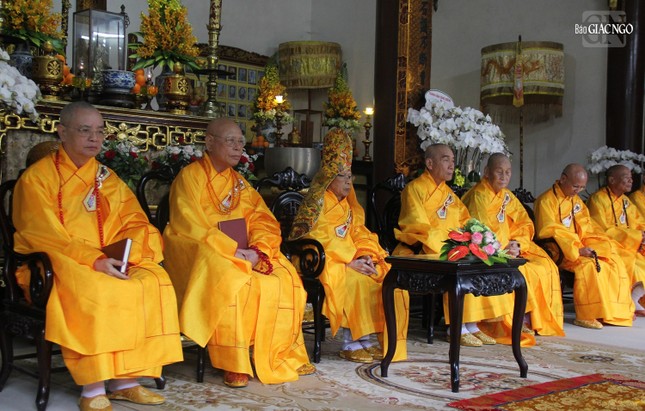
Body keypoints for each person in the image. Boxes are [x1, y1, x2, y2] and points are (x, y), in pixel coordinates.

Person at [12, 102, 183, 411]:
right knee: (99, 288)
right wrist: (92, 260)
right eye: (85, 130)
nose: (94, 138)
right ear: (62, 132)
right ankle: (93, 387)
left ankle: (125, 382)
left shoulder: (106, 177)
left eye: (100, 131)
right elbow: (42, 234)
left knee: (152, 280)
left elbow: (135, 220)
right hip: (58, 262)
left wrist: (129, 252)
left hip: (108, 260)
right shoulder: (38, 178)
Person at [162, 118, 314, 389]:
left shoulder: (240, 183)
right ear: (210, 142)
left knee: (285, 276)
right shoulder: (190, 178)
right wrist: (231, 251)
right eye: (230, 141)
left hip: (245, 252)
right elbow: (188, 225)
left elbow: (262, 220)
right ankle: (234, 361)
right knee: (235, 282)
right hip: (207, 254)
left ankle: (281, 350)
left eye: (240, 142)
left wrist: (257, 251)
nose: (237, 147)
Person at [289, 129, 409, 363]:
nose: (348, 181)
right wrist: (348, 262)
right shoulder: (317, 203)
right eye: (342, 176)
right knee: (357, 280)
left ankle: (370, 339)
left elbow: (359, 233)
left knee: (385, 277)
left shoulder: (347, 205)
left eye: (349, 176)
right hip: (320, 260)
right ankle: (350, 342)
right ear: (328, 177)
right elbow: (318, 237)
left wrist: (366, 255)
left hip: (348, 259)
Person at [393, 144, 518, 347]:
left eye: (452, 160)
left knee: (479, 257)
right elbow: (418, 227)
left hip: (450, 245)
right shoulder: (414, 189)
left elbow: (466, 221)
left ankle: (472, 324)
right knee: (463, 261)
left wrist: (474, 239)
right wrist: (453, 243)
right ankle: (457, 328)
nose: (452, 165)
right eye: (446, 160)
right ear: (430, 163)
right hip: (422, 248)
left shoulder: (449, 194)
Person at [461, 153, 565, 336]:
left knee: (545, 265)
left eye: (508, 172)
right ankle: (512, 319)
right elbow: (480, 230)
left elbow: (525, 224)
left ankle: (530, 318)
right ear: (487, 172)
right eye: (499, 171)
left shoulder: (507, 196)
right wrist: (503, 248)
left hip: (513, 247)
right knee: (524, 270)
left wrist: (517, 243)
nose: (504, 176)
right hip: (491, 250)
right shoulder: (478, 196)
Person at [533, 164, 634, 329]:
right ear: (563, 179)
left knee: (612, 259)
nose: (578, 191)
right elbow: (548, 231)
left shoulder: (576, 201)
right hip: (561, 251)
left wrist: (597, 245)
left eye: (581, 187)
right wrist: (577, 250)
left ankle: (611, 311)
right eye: (575, 186)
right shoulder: (546, 201)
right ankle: (586, 315)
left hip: (580, 247)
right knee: (589, 266)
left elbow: (589, 228)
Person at [586, 164, 645, 316]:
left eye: (631, 178)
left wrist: (642, 235)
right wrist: (634, 236)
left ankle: (635, 298)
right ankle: (628, 300)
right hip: (610, 244)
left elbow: (639, 223)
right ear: (612, 180)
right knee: (633, 262)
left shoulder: (626, 201)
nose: (631, 181)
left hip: (630, 244)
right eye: (626, 178)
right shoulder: (598, 199)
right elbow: (602, 229)